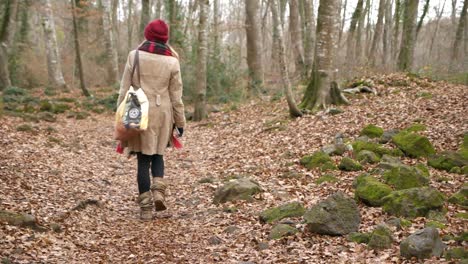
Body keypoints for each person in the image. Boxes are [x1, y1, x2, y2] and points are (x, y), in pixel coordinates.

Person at [117, 19, 186, 220]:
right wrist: (180, 122)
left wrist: (120, 117)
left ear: (147, 35)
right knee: (158, 154)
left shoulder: (135, 56)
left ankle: (146, 208)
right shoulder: (172, 61)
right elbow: (176, 96)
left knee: (142, 159)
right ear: (165, 38)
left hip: (138, 110)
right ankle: (158, 191)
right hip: (163, 112)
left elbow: (124, 89)